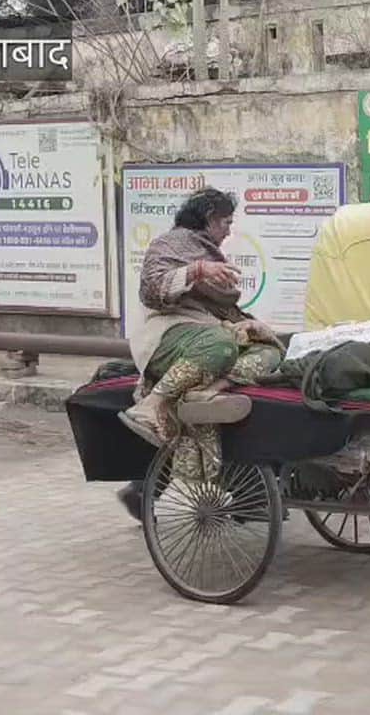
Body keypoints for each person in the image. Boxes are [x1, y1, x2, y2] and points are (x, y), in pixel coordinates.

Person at [116, 188, 284, 516]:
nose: (228, 231)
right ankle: (154, 405)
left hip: (209, 335)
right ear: (208, 219)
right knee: (220, 345)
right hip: (171, 334)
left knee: (273, 353)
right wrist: (196, 271)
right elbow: (152, 290)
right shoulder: (170, 245)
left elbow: (225, 312)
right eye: (225, 222)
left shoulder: (211, 256)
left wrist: (251, 327)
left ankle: (212, 389)